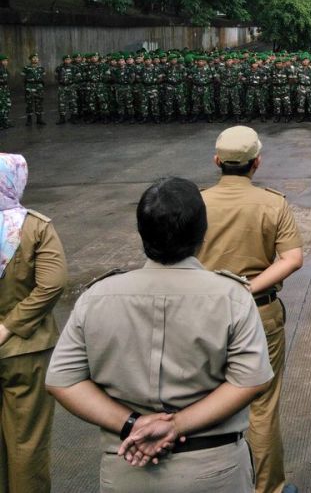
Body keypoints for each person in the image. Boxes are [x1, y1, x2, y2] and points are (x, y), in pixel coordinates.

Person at [45, 177, 273, 493]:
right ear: (202, 234)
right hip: (212, 469)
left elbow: (63, 381)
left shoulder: (97, 297)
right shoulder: (231, 297)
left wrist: (132, 425)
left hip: (127, 464)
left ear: (142, 233)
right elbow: (250, 380)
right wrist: (176, 425)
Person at [197, 127, 304, 493]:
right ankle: (268, 487)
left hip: (205, 313)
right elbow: (291, 258)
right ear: (257, 163)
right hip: (258, 313)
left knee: (205, 401)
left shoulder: (197, 203)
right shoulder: (272, 203)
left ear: (217, 162)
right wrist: (245, 287)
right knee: (261, 405)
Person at [0, 154, 67, 493]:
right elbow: (51, 284)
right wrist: (10, 325)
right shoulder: (35, 227)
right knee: (27, 441)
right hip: (26, 350)